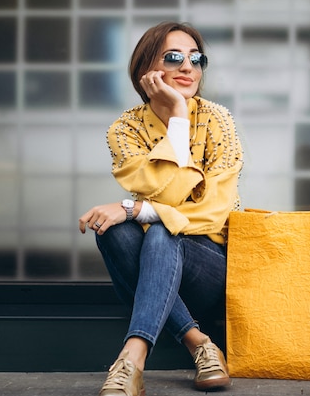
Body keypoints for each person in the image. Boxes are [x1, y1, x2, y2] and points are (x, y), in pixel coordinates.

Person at [78, 21, 243, 396]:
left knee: (157, 228)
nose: (188, 67)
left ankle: (132, 357)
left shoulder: (219, 120)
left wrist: (135, 209)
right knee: (117, 231)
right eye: (174, 58)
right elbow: (166, 193)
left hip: (210, 265)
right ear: (145, 71)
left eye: (196, 59)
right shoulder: (124, 130)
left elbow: (215, 212)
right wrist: (178, 120)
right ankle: (198, 342)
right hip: (161, 264)